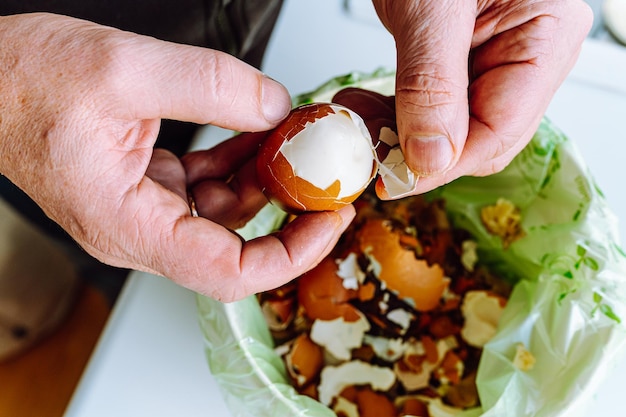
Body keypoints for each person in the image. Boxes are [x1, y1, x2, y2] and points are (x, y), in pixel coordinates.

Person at [0, 0, 593, 304]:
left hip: (236, 25)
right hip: (36, 72)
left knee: (150, 225)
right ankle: (89, 285)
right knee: (87, 234)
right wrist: (11, 85)